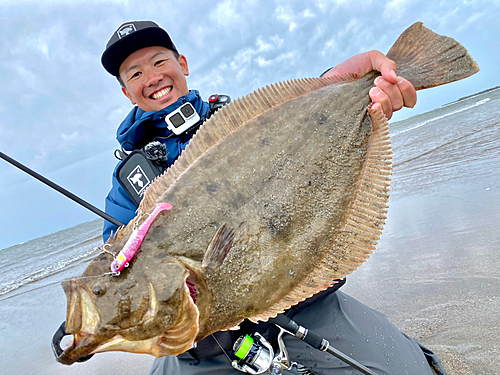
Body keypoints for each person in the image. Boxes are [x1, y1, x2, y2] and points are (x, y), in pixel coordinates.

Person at [100, 21, 442, 375]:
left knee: (411, 369)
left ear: (182, 64)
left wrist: (347, 87)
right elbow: (122, 276)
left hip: (299, 302)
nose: (152, 77)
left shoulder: (235, 119)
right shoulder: (128, 184)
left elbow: (300, 124)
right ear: (127, 92)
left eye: (159, 62)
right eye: (135, 73)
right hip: (205, 348)